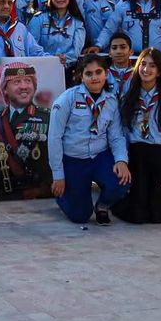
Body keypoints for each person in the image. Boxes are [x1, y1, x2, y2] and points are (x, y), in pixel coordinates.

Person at [47, 54, 131, 224]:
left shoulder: (111, 101)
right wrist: (58, 174)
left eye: (98, 72)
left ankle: (102, 206)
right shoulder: (67, 99)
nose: (94, 78)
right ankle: (64, 195)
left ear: (106, 73)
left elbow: (116, 136)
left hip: (99, 157)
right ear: (81, 76)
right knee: (80, 216)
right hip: (73, 159)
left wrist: (121, 160)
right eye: (89, 73)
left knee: (122, 181)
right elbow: (54, 138)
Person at [113, 48, 161, 225]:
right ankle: (117, 204)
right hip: (137, 154)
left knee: (158, 217)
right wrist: (122, 160)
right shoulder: (129, 95)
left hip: (160, 154)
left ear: (159, 71)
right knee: (138, 216)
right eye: (143, 64)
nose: (146, 69)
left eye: (152, 66)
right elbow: (123, 131)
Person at [0, 60, 53, 201]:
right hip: (2, 199)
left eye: (28, 81)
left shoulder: (48, 118)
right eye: (16, 82)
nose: (24, 86)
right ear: (5, 89)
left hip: (38, 198)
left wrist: (45, 190)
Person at [29, 0, 88, 64]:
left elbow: (76, 51)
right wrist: (52, 60)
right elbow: (32, 47)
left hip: (68, 67)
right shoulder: (38, 19)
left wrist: (62, 60)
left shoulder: (77, 23)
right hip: (43, 65)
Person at [106, 32, 136, 98]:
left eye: (123, 47)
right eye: (114, 48)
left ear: (131, 52)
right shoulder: (105, 74)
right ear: (109, 53)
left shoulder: (137, 74)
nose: (118, 51)